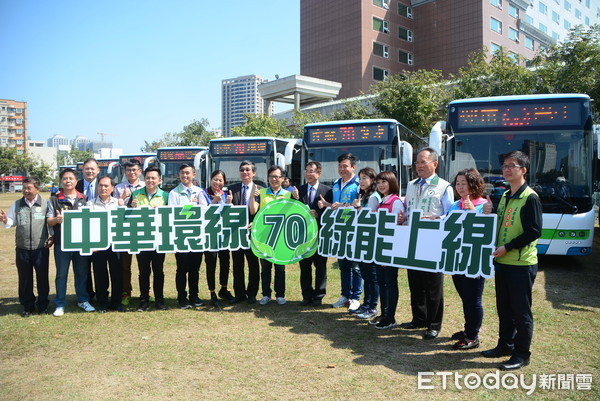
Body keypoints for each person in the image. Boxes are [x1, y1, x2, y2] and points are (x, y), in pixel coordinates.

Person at [481, 151, 542, 371]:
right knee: (504, 307)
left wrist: (507, 247)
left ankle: (521, 354)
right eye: (504, 165)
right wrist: (490, 211)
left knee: (521, 311)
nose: (506, 169)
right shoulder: (506, 195)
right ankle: (505, 345)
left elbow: (534, 230)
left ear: (523, 170)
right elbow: (503, 223)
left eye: (512, 166)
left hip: (521, 264)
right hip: (504, 263)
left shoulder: (530, 197)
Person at [399, 147, 453, 339]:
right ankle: (418, 318)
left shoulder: (444, 187)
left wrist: (436, 219)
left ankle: (434, 324)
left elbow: (450, 215)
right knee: (415, 282)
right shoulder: (412, 185)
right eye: (417, 162)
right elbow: (407, 208)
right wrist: (401, 217)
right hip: (413, 239)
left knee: (433, 286)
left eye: (423, 162)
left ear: (434, 164)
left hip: (433, 241)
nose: (419, 166)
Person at [447, 168, 488, 349]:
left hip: (475, 258)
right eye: (458, 183)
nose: (460, 187)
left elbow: (488, 230)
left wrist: (474, 213)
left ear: (474, 184)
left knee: (474, 298)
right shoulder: (456, 205)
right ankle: (467, 329)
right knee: (465, 297)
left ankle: (473, 336)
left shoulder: (484, 204)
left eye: (464, 183)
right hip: (457, 256)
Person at [1, 177, 53, 317]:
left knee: (42, 278)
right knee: (24, 278)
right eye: (24, 188)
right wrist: (6, 220)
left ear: (37, 188)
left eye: (29, 188)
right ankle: (28, 306)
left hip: (40, 248)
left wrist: (52, 237)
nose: (26, 191)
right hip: (22, 248)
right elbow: (11, 221)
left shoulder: (45, 204)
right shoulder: (17, 204)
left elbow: (50, 223)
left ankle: (43, 305)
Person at [48, 168, 95, 316]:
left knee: (81, 273)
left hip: (81, 243)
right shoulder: (54, 199)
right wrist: (56, 220)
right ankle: (60, 304)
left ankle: (83, 300)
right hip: (62, 243)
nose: (68, 181)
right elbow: (49, 220)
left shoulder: (84, 198)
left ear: (76, 181)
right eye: (65, 179)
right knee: (61, 274)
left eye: (71, 178)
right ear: (61, 181)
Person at [318, 153, 362, 312]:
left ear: (353, 167)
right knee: (343, 264)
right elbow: (335, 206)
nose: (342, 169)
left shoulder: (359, 184)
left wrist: (342, 205)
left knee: (355, 266)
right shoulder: (336, 183)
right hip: (339, 230)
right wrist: (327, 205)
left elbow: (359, 207)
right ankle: (345, 295)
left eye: (345, 166)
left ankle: (355, 298)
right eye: (340, 166)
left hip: (354, 230)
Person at [249, 166, 291, 305]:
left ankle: (280, 294)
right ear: (268, 178)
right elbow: (253, 211)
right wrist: (252, 197)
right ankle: (266, 294)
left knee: (280, 267)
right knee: (265, 268)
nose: (274, 179)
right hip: (264, 237)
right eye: (272, 176)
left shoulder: (288, 194)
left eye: (277, 176)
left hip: (281, 237)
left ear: (283, 179)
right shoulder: (260, 193)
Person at [167, 163, 207, 310]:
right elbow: (173, 214)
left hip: (197, 236)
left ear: (193, 175)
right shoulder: (174, 193)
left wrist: (193, 207)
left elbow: (205, 211)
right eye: (182, 173)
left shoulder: (200, 192)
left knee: (195, 269)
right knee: (182, 269)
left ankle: (194, 296)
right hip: (181, 237)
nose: (185, 176)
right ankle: (182, 298)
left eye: (188, 173)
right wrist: (191, 206)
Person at [130, 166, 169, 311]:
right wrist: (132, 206)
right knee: (143, 272)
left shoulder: (165, 196)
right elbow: (128, 216)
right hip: (141, 238)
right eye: (148, 178)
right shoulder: (136, 194)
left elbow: (170, 217)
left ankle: (160, 300)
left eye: (153, 178)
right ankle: (144, 300)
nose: (150, 180)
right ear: (143, 179)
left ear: (159, 180)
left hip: (159, 239)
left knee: (159, 271)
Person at [293, 161, 332, 307]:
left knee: (320, 266)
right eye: (307, 171)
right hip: (303, 236)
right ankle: (306, 295)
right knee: (305, 266)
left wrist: (319, 214)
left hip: (320, 235)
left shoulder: (328, 191)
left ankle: (319, 295)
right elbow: (293, 211)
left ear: (319, 173)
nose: (308, 174)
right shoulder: (299, 190)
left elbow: (331, 213)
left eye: (312, 171)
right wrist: (295, 198)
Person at [371, 171, 405, 329]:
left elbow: (395, 229)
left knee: (390, 283)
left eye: (384, 182)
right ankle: (384, 313)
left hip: (390, 249)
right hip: (380, 247)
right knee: (382, 282)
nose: (381, 185)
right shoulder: (381, 201)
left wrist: (388, 252)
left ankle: (390, 316)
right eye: (378, 183)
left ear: (392, 183)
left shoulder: (395, 201)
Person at [87, 176, 123, 313]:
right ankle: (102, 302)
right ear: (97, 187)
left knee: (117, 275)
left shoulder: (118, 203)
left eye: (106, 186)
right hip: (98, 245)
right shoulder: (90, 204)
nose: (103, 188)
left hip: (115, 244)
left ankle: (117, 302)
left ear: (112, 188)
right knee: (100, 274)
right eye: (101, 185)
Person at [229, 161, 262, 304]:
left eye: (248, 170)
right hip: (236, 233)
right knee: (237, 265)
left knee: (253, 265)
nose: (245, 172)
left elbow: (264, 211)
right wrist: (228, 202)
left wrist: (255, 223)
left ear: (253, 173)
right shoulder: (232, 189)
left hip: (253, 232)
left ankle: (252, 294)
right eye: (242, 170)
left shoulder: (261, 189)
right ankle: (239, 294)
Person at [113, 158, 145, 306]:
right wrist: (122, 198)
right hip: (124, 230)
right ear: (125, 172)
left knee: (144, 264)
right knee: (124, 265)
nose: (131, 172)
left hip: (142, 230)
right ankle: (126, 292)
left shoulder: (146, 185)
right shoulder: (118, 188)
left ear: (139, 171)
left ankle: (146, 291)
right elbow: (113, 209)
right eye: (128, 170)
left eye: (134, 170)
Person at [350, 167, 381, 319]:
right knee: (365, 274)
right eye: (360, 178)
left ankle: (372, 306)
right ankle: (366, 303)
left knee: (372, 276)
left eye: (365, 178)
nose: (361, 181)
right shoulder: (364, 195)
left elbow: (371, 218)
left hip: (371, 240)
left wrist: (358, 208)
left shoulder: (374, 197)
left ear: (372, 180)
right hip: (362, 238)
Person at [204, 169, 235, 306]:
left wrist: (229, 204)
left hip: (223, 235)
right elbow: (201, 213)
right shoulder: (203, 193)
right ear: (211, 180)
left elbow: (229, 214)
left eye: (220, 180)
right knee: (211, 263)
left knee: (225, 261)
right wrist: (213, 202)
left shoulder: (225, 194)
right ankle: (212, 292)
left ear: (224, 182)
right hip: (209, 235)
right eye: (215, 179)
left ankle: (223, 288)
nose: (218, 182)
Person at [76, 158, 100, 300]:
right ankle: (88, 294)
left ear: (98, 170)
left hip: (99, 231)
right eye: (87, 168)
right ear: (82, 170)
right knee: (83, 266)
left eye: (93, 169)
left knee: (99, 265)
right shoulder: (75, 185)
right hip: (82, 231)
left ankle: (102, 293)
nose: (90, 171)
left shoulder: (104, 185)